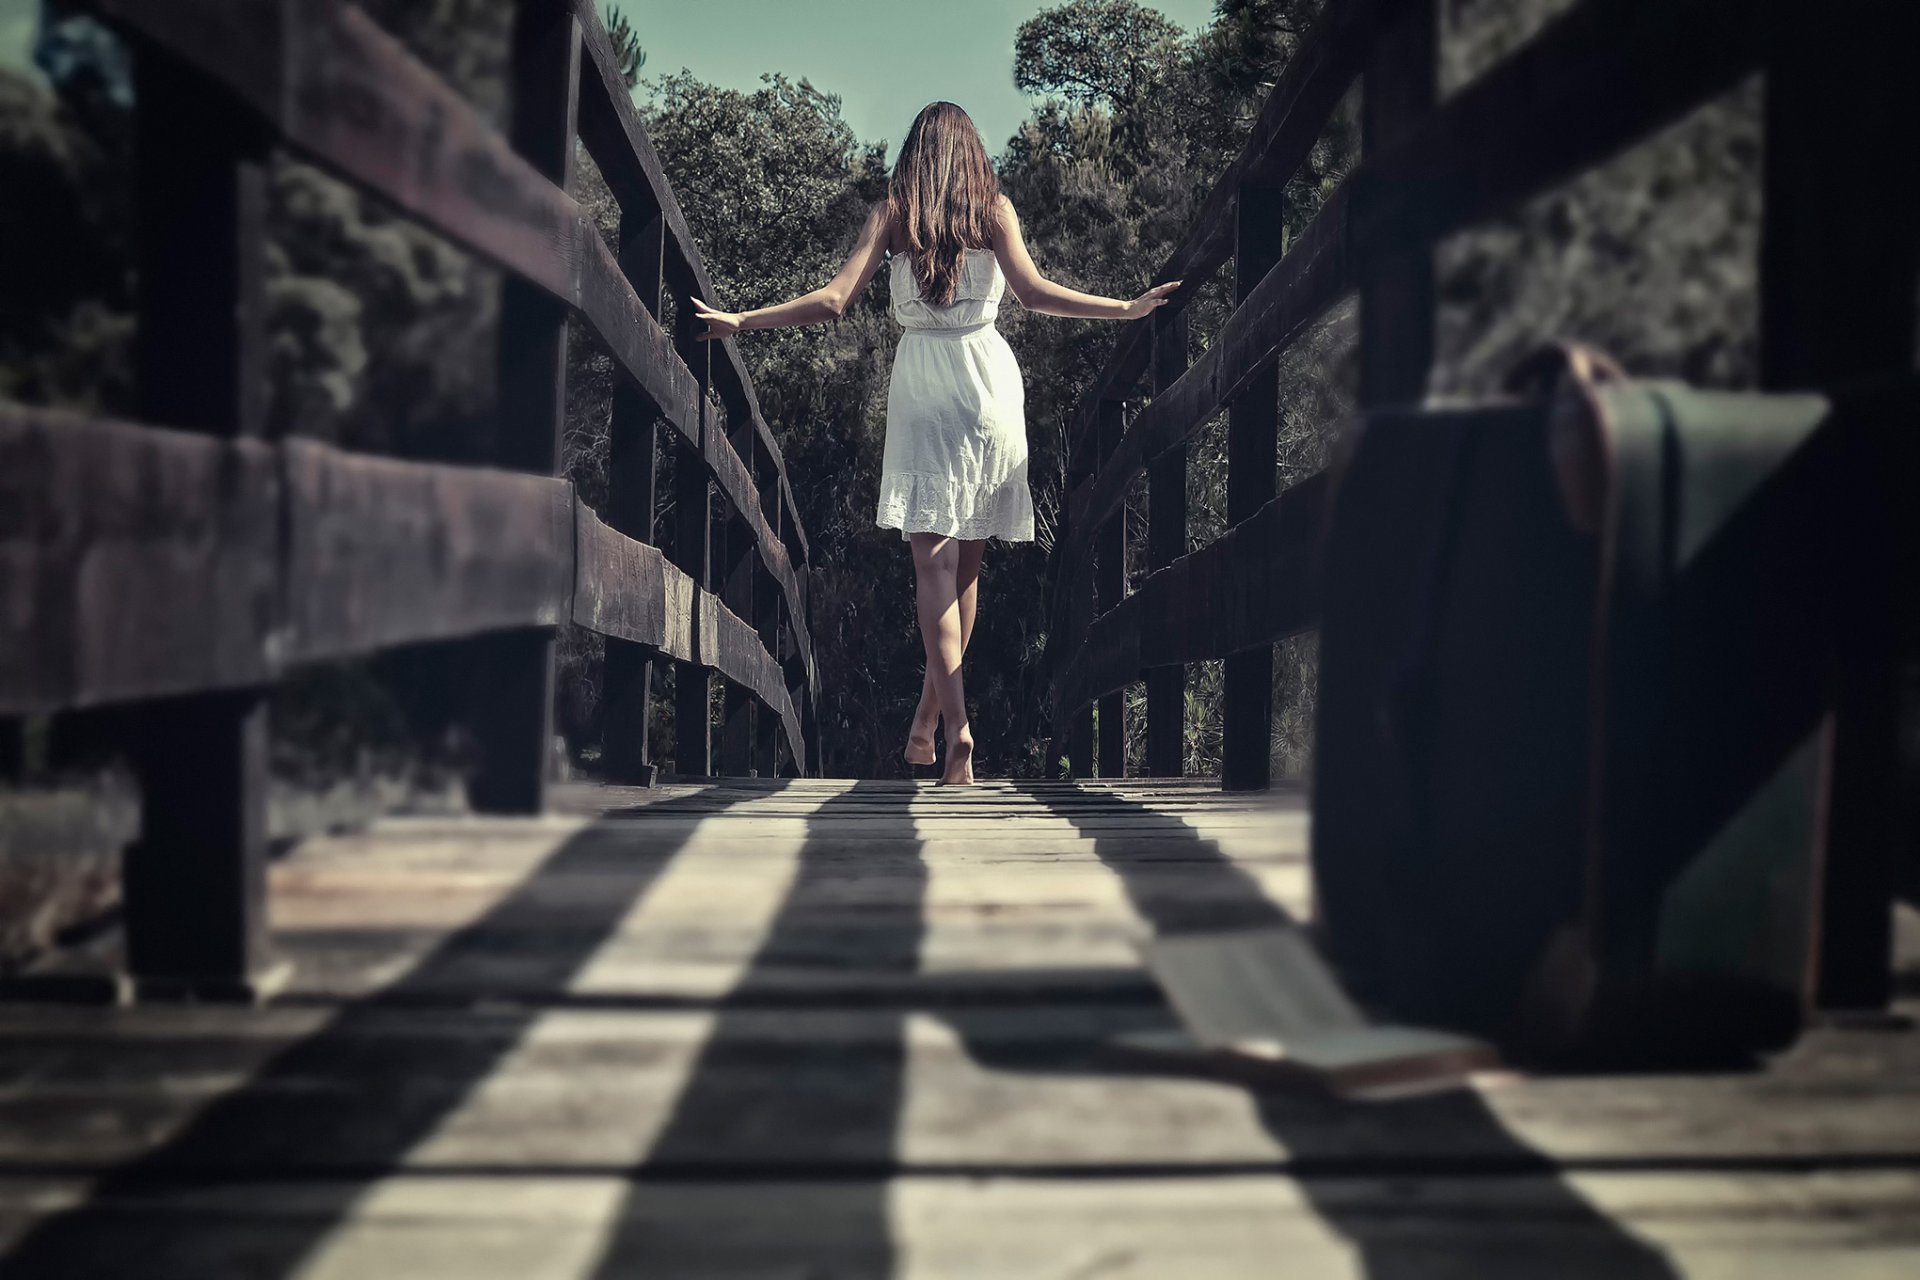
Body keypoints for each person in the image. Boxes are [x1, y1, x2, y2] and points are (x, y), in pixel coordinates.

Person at [693, 101, 1177, 785]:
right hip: (989, 387)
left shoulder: (894, 215)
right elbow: (1036, 294)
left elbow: (833, 301)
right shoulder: (996, 212)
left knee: (935, 572)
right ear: (973, 152)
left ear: (915, 152)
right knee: (966, 567)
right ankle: (930, 724)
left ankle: (960, 731)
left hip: (925, 388)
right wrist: (1123, 308)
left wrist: (743, 318)